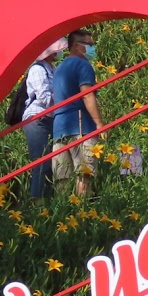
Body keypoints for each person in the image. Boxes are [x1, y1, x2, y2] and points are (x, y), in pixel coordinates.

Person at [51, 29, 102, 199]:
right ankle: (83, 210)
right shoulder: (83, 65)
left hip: (59, 128)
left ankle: (63, 212)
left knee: (62, 178)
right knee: (84, 173)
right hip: (80, 126)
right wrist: (99, 123)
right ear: (76, 46)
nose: (92, 48)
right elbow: (87, 94)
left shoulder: (59, 68)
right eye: (89, 44)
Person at [22, 40, 64, 200]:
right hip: (37, 119)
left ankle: (47, 201)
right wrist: (64, 99)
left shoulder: (53, 69)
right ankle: (37, 202)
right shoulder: (37, 69)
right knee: (41, 163)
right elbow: (44, 98)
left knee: (51, 164)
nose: (58, 52)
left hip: (50, 119)